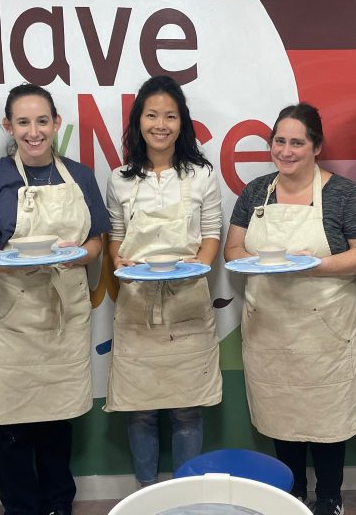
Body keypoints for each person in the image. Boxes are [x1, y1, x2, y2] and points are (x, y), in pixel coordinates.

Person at [225, 103, 356, 515]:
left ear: (316, 147)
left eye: (297, 142)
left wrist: (313, 266)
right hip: (270, 324)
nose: (286, 151)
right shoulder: (255, 192)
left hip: (328, 326)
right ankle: (290, 495)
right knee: (282, 412)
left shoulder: (341, 193)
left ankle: (329, 497)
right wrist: (269, 263)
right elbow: (233, 249)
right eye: (280, 141)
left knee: (328, 416)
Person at [0, 83, 109, 515]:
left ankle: (59, 504)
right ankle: (21, 508)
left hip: (61, 313)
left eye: (42, 121)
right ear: (8, 126)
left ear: (56, 123)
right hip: (8, 315)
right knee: (12, 425)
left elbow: (96, 242)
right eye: (23, 122)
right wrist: (12, 262)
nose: (34, 132)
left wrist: (78, 255)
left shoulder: (80, 175)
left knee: (56, 418)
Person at [104, 75, 223, 487]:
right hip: (136, 302)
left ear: (181, 122)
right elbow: (116, 235)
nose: (161, 124)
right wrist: (118, 259)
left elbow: (211, 233)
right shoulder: (120, 178)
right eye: (152, 115)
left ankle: (186, 497)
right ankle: (147, 494)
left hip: (188, 300)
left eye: (170, 116)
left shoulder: (202, 175)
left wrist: (198, 267)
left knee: (188, 409)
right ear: (138, 121)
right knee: (141, 410)